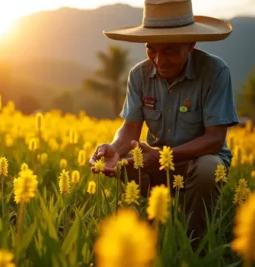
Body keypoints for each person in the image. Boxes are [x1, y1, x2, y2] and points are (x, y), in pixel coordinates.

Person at [89, 0, 239, 240]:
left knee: (209, 168)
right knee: (125, 165)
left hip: (197, 161)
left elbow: (214, 140)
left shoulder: (214, 71)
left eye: (169, 50)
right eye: (151, 49)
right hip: (154, 161)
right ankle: (147, 233)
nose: (159, 60)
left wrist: (163, 155)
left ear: (191, 44)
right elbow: (130, 128)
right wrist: (114, 149)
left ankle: (194, 240)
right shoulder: (139, 74)